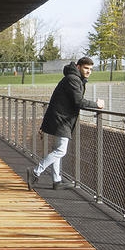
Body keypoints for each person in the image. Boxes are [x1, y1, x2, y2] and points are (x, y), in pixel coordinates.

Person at [28, 56, 100, 190]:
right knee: (61, 151)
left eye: (91, 69)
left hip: (60, 119)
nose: (89, 71)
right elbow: (79, 102)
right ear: (78, 67)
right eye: (86, 68)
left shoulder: (74, 78)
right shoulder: (73, 79)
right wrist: (97, 104)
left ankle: (57, 181)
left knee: (57, 150)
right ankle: (35, 171)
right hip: (61, 120)